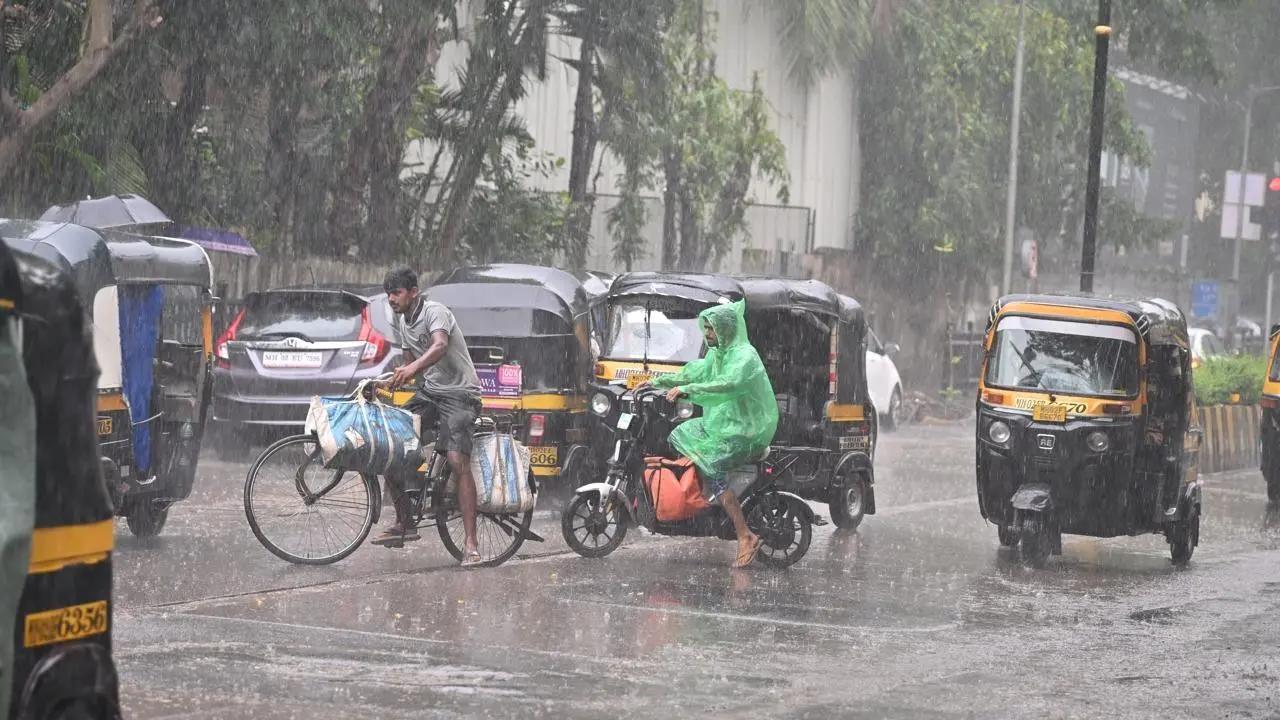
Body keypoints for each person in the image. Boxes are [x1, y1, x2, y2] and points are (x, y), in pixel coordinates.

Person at [647, 299, 778, 568]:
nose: (707, 335)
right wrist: (655, 381)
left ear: (726, 329)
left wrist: (689, 391)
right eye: (705, 328)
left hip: (746, 431)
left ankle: (745, 534)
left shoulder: (744, 357)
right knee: (678, 434)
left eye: (711, 329)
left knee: (713, 466)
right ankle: (702, 500)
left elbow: (728, 384)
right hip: (724, 425)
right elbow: (694, 371)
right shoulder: (716, 354)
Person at [373, 267, 486, 567]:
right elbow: (411, 369)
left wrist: (411, 370)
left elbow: (439, 345)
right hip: (431, 393)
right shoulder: (401, 320)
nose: (391, 299)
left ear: (413, 292)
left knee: (456, 459)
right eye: (388, 294)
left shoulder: (435, 312)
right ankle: (405, 521)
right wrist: (388, 381)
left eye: (396, 293)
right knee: (391, 443)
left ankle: (471, 544)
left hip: (461, 395)